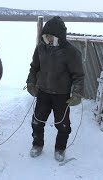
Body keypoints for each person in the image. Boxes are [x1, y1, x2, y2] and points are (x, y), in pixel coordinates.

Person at [26, 16, 84, 162]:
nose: (49, 39)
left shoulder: (71, 52)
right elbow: (34, 68)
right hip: (43, 92)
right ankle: (37, 145)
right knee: (37, 121)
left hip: (61, 95)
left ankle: (60, 149)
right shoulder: (41, 48)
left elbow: (78, 75)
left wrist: (76, 93)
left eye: (51, 36)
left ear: (60, 36)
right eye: (46, 36)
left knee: (63, 125)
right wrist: (31, 83)